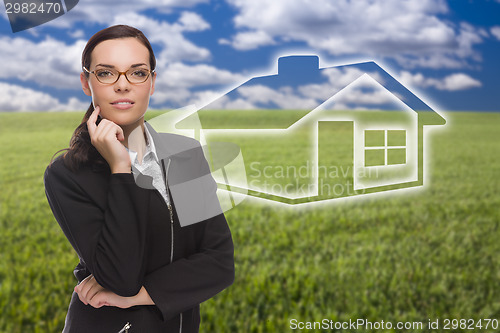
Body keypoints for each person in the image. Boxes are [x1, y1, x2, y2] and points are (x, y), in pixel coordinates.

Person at [44, 25, 234, 333]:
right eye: (106, 73)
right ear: (85, 81)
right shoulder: (67, 174)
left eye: (137, 73)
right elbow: (120, 276)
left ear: (152, 82)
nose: (123, 86)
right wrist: (121, 168)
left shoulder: (185, 155)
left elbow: (220, 263)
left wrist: (138, 297)